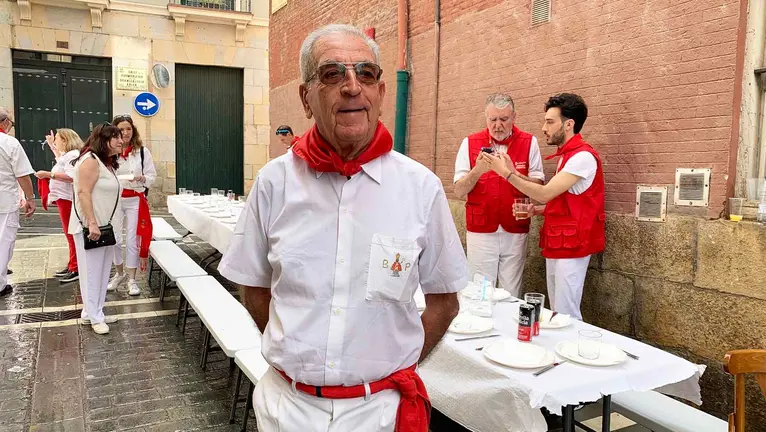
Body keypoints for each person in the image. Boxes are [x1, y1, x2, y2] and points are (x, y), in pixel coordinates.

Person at [219, 24, 466, 432]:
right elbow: (255, 288)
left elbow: (445, 302)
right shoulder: (273, 183)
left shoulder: (420, 188)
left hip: (380, 412)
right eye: (333, 73)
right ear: (306, 97)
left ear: (381, 93)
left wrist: (391, 366)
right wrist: (298, 358)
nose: (353, 87)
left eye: (366, 73)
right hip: (289, 409)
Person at [482, 93, 604, 320]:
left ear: (569, 125)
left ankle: (570, 351)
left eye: (550, 122)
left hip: (572, 244)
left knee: (566, 312)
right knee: (558, 309)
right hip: (561, 242)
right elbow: (565, 202)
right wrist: (535, 209)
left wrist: (506, 173)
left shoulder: (582, 158)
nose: (543, 127)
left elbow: (546, 194)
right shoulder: (567, 156)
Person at [453, 93, 544, 297]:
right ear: (486, 118)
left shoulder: (530, 142)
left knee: (511, 292)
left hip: (515, 228)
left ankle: (509, 329)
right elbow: (458, 191)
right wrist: (477, 171)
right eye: (493, 119)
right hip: (481, 230)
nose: (498, 125)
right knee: (478, 292)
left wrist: (515, 173)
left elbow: (539, 187)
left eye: (503, 119)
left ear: (514, 118)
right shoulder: (469, 142)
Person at [69, 124, 123, 334]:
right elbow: (83, 192)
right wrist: (91, 222)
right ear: (103, 140)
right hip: (92, 226)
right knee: (92, 273)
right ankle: (94, 317)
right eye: (116, 137)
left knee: (101, 272)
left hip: (105, 227)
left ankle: (92, 312)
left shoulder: (105, 162)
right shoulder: (90, 161)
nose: (121, 141)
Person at [107, 115, 155, 296]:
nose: (125, 133)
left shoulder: (142, 152)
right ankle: (119, 273)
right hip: (115, 199)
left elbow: (151, 175)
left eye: (128, 129)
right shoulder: (110, 152)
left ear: (133, 130)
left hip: (136, 198)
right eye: (121, 129)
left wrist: (141, 178)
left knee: (133, 240)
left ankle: (132, 279)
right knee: (115, 239)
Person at [34, 128, 83, 283]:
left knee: (71, 233)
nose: (55, 141)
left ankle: (76, 267)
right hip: (63, 198)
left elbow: (71, 176)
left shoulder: (73, 155)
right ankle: (72, 264)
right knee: (69, 233)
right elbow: (61, 159)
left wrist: (49, 175)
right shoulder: (68, 155)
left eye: (57, 139)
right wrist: (51, 146)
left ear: (65, 140)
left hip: (67, 198)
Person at [0, 108, 35, 297]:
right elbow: (22, 175)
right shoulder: (9, 143)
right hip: (5, 199)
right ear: (5, 122)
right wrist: (30, 198)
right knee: (4, 241)